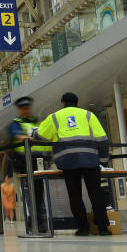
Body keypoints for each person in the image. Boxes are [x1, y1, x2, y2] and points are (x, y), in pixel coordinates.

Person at [34, 92, 111, 236]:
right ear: (77, 102)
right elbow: (102, 139)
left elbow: (40, 136)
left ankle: (83, 228)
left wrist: (33, 133)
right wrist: (103, 161)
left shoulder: (55, 117)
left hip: (68, 161)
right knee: (96, 194)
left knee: (75, 195)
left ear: (62, 102)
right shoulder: (88, 115)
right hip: (90, 160)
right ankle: (103, 228)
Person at [7, 96, 50, 175]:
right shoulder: (16, 123)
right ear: (19, 110)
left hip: (41, 158)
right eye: (24, 109)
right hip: (25, 160)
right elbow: (18, 136)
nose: (27, 110)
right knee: (29, 183)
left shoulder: (37, 121)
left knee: (41, 183)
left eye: (28, 108)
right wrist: (36, 138)